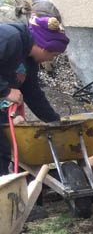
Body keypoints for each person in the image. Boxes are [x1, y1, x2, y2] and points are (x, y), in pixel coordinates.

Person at [0, 14, 68, 170]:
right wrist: (6, 91)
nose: (50, 59)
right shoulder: (10, 38)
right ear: (44, 47)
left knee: (3, 151)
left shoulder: (29, 60)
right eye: (53, 55)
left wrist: (54, 121)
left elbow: (33, 93)